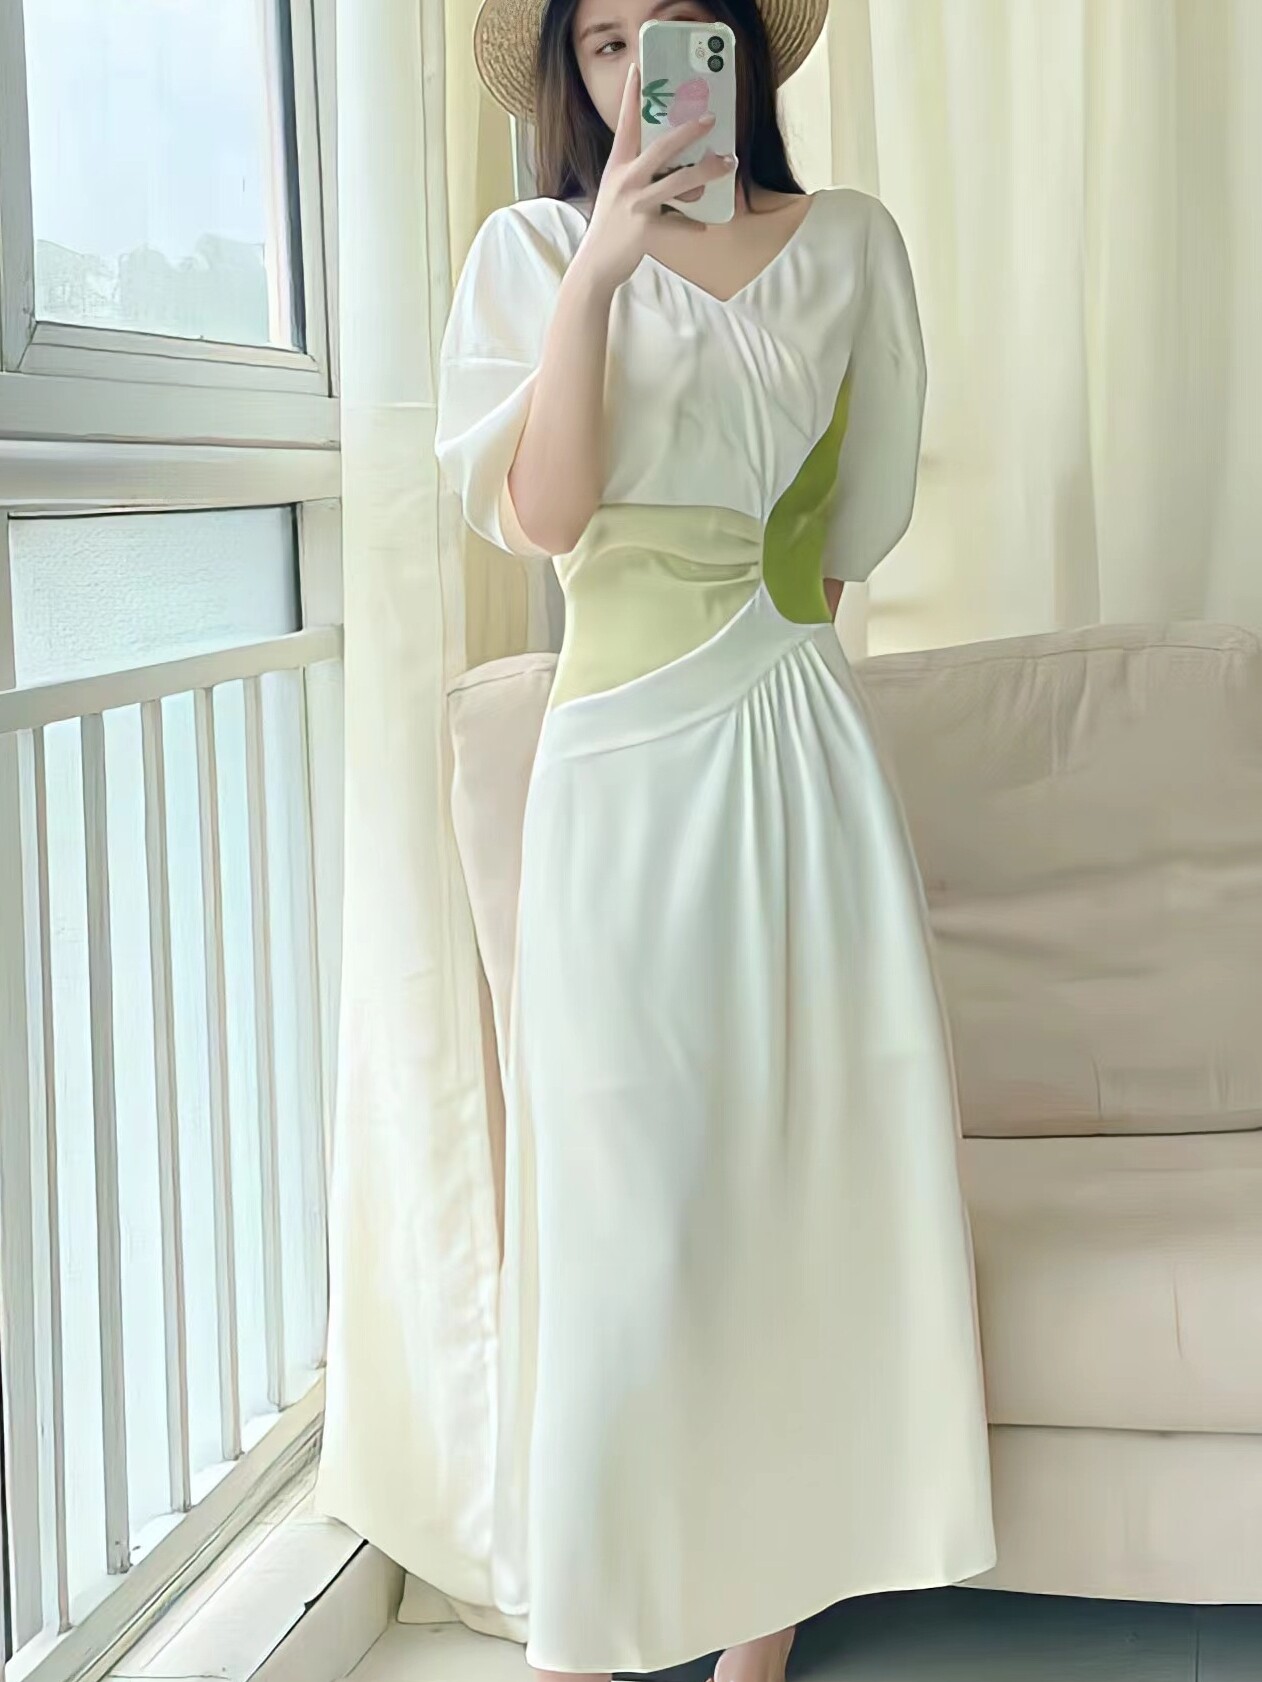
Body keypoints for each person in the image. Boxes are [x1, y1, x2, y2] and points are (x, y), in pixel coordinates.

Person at [435, 0, 997, 1676]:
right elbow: (544, 514)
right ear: (572, 74)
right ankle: (583, 1639)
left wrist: (763, 626)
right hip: (617, 768)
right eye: (606, 44)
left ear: (741, 48)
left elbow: (855, 521)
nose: (642, 73)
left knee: (799, 1188)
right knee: (626, 1215)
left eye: (677, 31)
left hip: (796, 747)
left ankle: (759, 1648)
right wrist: (602, 272)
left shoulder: (850, 245)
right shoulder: (533, 252)